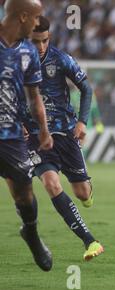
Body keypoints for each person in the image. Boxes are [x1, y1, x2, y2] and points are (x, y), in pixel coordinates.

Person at [25, 16, 104, 261]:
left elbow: (86, 88)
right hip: (36, 137)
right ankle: (90, 241)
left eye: (45, 41)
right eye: (35, 41)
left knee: (81, 193)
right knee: (51, 184)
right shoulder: (13, 62)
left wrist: (82, 121)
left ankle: (88, 192)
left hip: (65, 133)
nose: (41, 47)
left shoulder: (60, 59)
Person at [0, 0, 53, 271]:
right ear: (22, 16)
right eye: (35, 18)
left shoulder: (28, 52)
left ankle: (31, 233)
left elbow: (35, 97)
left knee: (24, 192)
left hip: (10, 135)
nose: (37, 24)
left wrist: (43, 129)